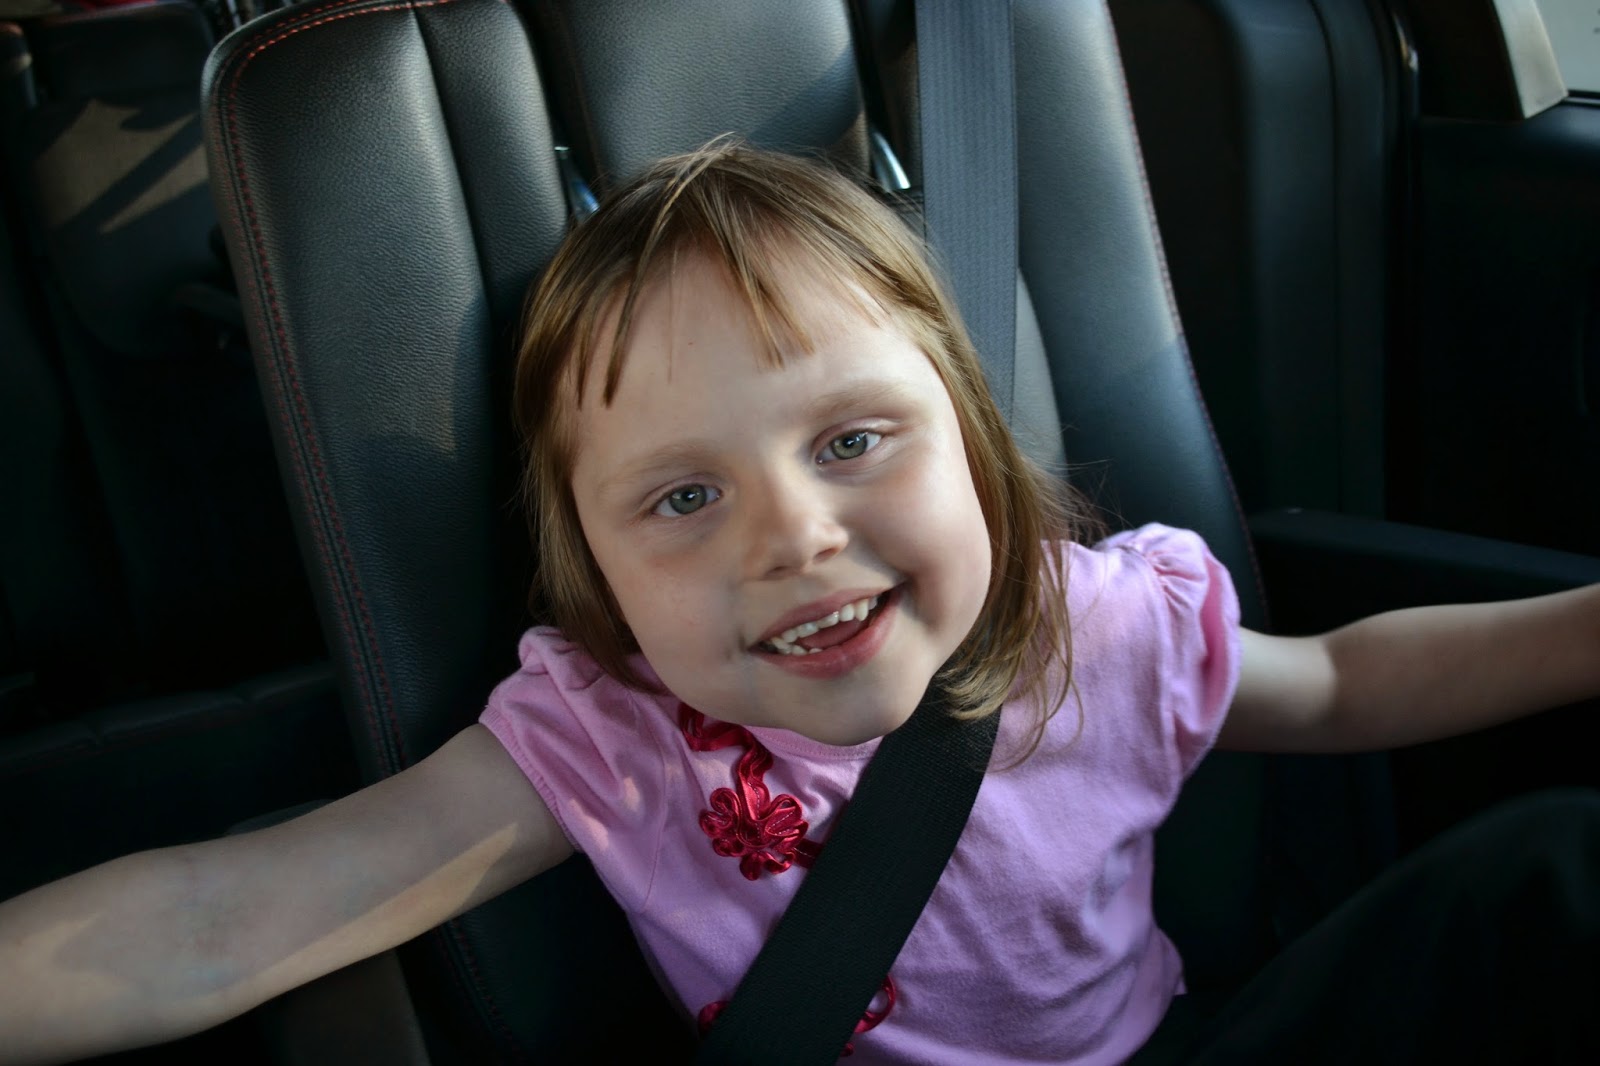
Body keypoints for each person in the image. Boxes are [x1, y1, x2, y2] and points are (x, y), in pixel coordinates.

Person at [2, 141, 1597, 1066]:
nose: (795, 535)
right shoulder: (617, 743)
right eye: (682, 498)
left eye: (850, 441)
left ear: (971, 443)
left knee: (1553, 867)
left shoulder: (1091, 622)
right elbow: (220, 917)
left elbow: (1344, 685)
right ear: (599, 574)